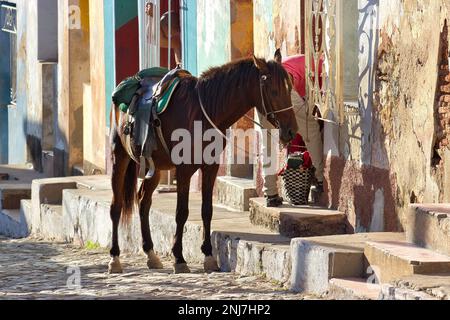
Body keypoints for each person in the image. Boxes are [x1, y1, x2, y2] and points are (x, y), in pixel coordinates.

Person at [260, 53, 324, 207]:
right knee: (311, 130)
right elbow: (322, 98)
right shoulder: (326, 67)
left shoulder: (311, 57)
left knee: (268, 141)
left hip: (264, 89)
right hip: (284, 85)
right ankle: (321, 179)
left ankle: (270, 193)